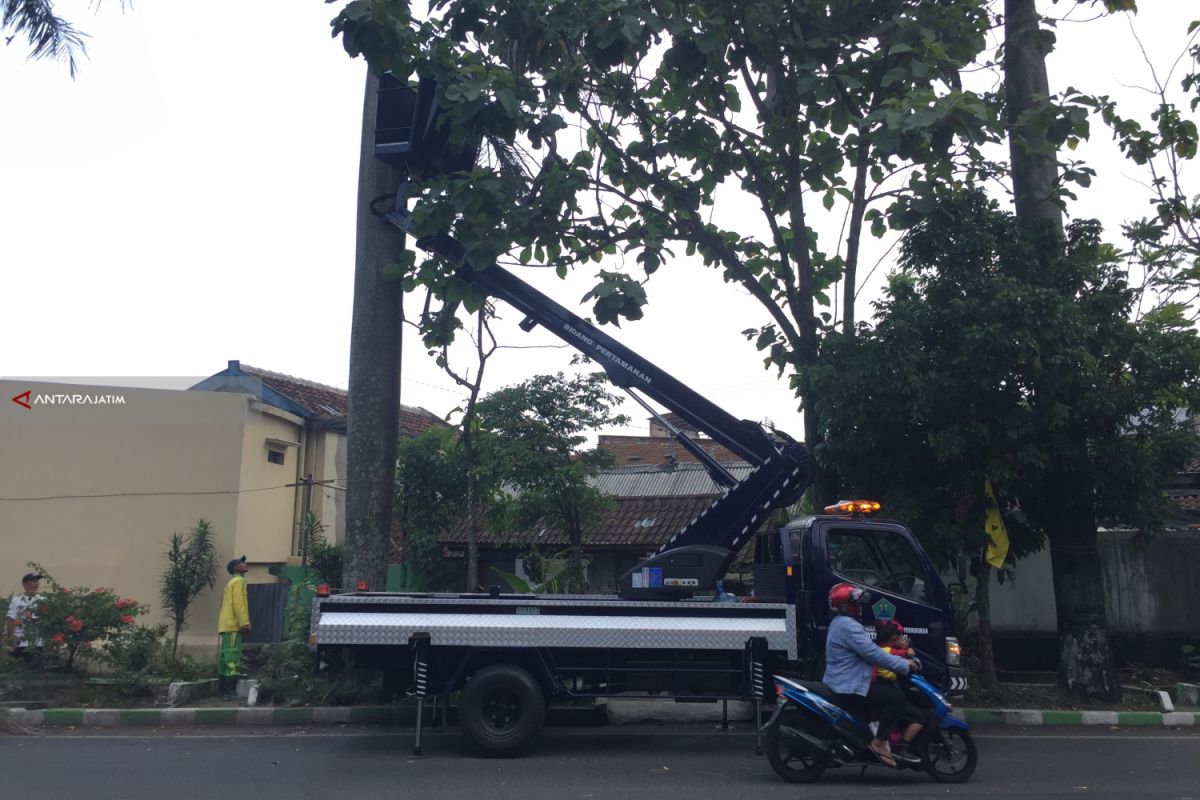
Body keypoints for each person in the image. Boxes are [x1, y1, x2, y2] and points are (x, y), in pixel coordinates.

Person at [822, 583, 920, 767]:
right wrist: (904, 665)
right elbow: (873, 654)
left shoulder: (842, 623)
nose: (859, 608)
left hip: (844, 679)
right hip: (849, 683)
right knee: (896, 699)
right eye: (856, 604)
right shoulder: (848, 626)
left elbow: (873, 651)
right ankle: (879, 743)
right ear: (845, 606)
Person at [873, 619, 925, 751]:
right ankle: (899, 746)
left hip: (888, 685)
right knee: (916, 715)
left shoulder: (886, 647)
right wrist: (906, 653)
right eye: (899, 636)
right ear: (893, 637)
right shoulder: (885, 650)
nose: (902, 638)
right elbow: (894, 655)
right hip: (883, 686)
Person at [217, 556, 251, 700]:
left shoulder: (231, 582)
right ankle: (230, 691)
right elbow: (239, 604)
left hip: (226, 625)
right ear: (235, 568)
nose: (245, 564)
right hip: (233, 626)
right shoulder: (239, 581)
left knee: (225, 658)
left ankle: (223, 691)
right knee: (232, 657)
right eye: (241, 563)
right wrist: (244, 623)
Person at [5, 572, 44, 661]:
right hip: (21, 642)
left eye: (37, 581)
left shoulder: (42, 599)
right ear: (25, 584)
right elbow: (11, 620)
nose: (36, 583)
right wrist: (11, 639)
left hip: (38, 642)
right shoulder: (17, 600)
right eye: (33, 581)